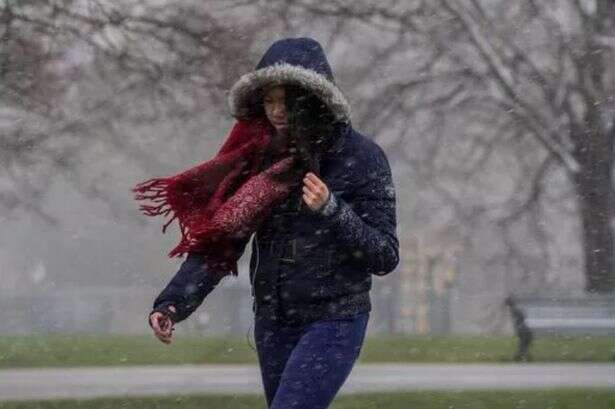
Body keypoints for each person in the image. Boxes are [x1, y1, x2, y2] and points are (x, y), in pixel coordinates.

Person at [147, 37, 399, 409]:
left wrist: (332, 209)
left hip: (335, 319)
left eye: (286, 100)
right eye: (268, 100)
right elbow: (221, 242)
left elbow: (385, 255)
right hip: (273, 321)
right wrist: (171, 305)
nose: (277, 111)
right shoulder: (261, 160)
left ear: (314, 98)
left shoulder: (362, 158)